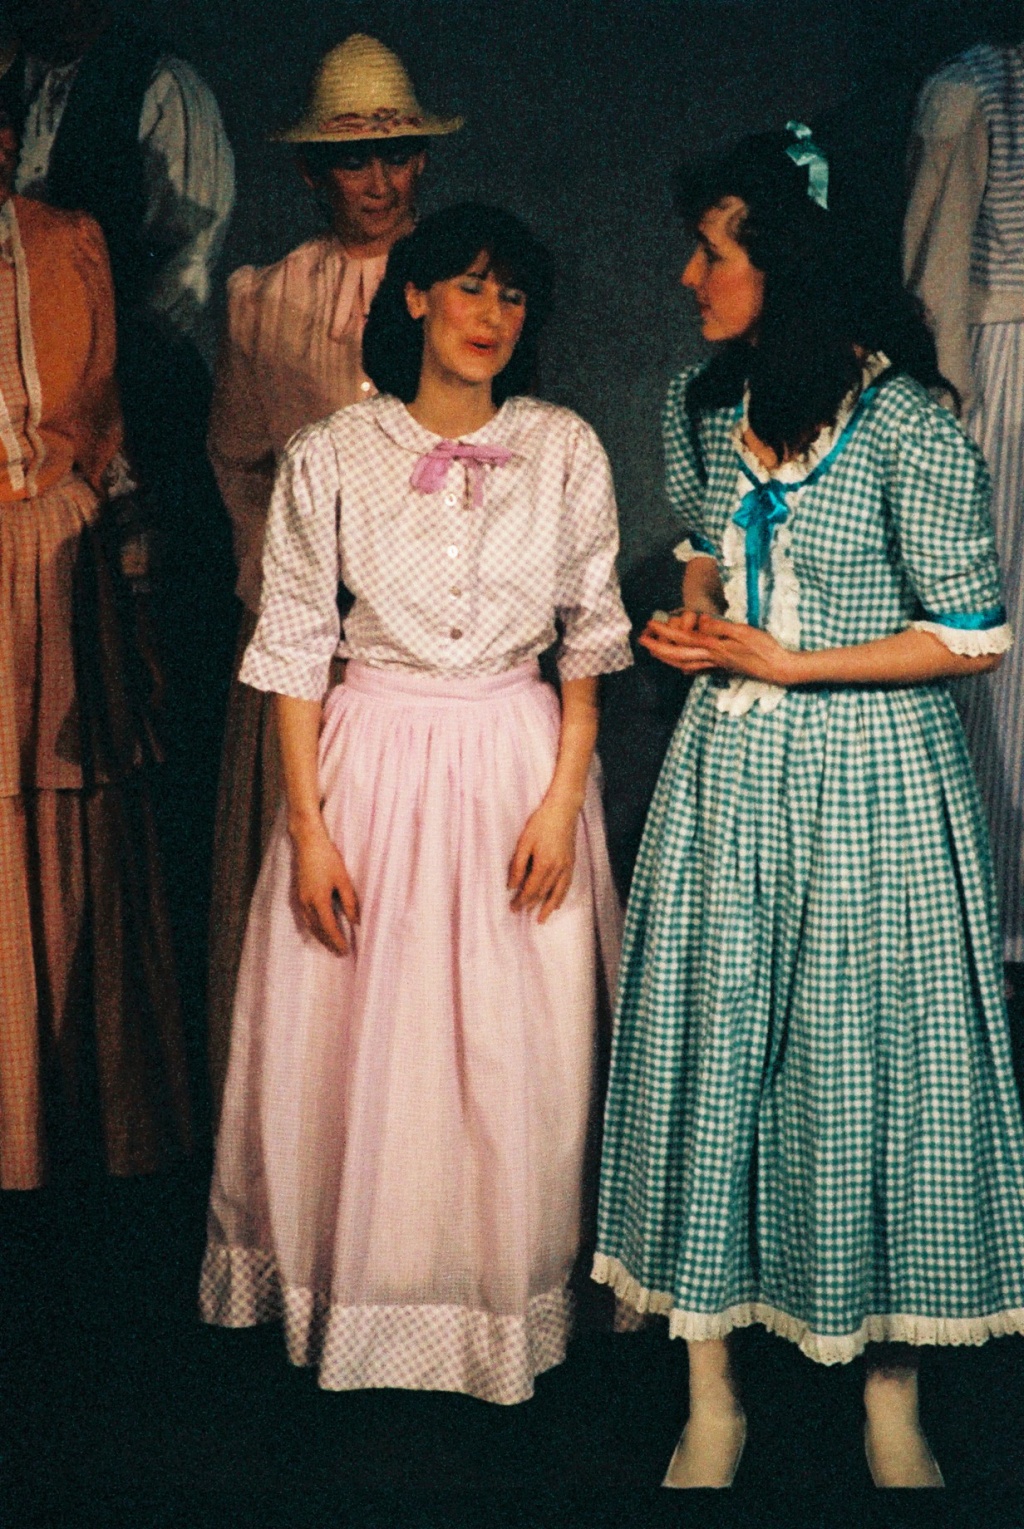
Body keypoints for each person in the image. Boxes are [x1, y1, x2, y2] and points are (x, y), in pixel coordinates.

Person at [593, 126, 1024, 1489]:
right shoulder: (703, 406)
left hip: (875, 780)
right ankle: (710, 1391)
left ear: (784, 262)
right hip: (732, 775)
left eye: (711, 251)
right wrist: (692, 619)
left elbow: (970, 632)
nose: (688, 276)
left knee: (874, 1062)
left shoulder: (904, 423)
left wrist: (796, 662)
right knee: (715, 1051)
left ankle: (890, 1395)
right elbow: (705, 558)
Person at [199, 203, 632, 1404]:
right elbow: (297, 647)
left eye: (512, 294)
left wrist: (561, 799)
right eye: (470, 286)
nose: (491, 313)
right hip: (372, 758)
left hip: (513, 759)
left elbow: (588, 644)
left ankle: (501, 1299)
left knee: (515, 1043)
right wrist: (309, 826)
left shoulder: (562, 447)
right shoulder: (335, 451)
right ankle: (368, 1294)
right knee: (357, 1043)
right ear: (416, 297)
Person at [205, 33, 461, 1117]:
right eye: (355, 159)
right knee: (308, 872)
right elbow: (239, 458)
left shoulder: (460, 284)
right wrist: (286, 590)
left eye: (396, 154)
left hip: (432, 639)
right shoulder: (267, 297)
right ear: (316, 171)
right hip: (313, 634)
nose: (380, 181)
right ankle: (306, 1120)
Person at [8, 0, 238, 1067]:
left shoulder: (158, 85)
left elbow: (180, 280)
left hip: (118, 429)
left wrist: (75, 393)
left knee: (125, 726)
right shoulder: (11, 71)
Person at [0, 68, 191, 1191]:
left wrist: (139, 590)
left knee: (78, 821)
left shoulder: (67, 242)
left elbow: (109, 430)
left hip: (64, 566)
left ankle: (83, 1118)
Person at [903, 17, 1024, 971]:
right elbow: (936, 281)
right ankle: (988, 913)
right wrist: (939, 418)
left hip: (1001, 378)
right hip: (998, 379)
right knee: (990, 642)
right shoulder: (976, 88)